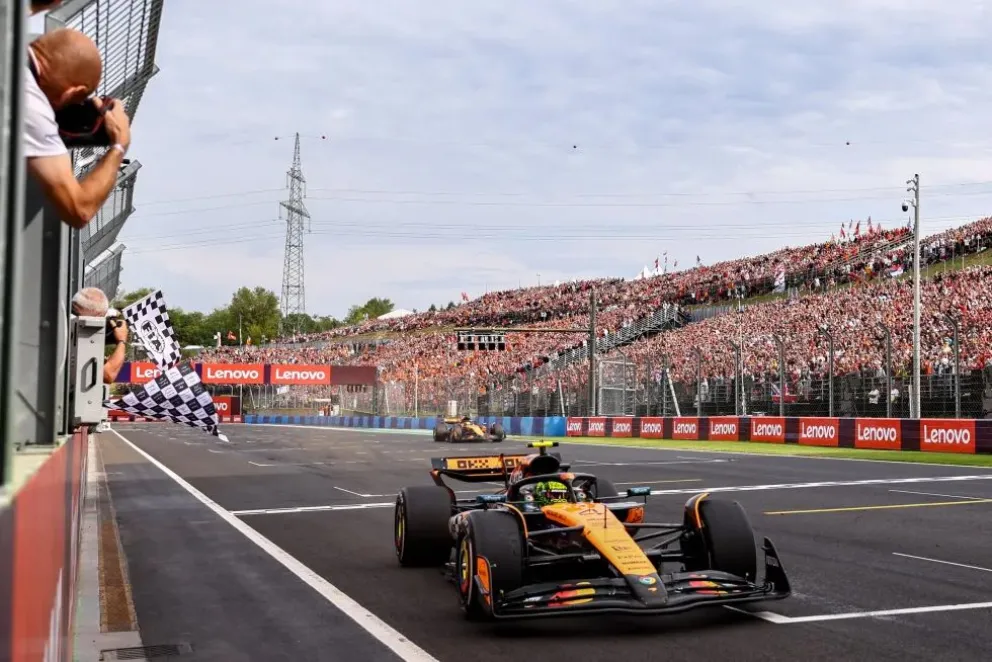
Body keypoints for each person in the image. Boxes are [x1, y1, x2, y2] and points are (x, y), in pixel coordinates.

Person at [24, 28, 131, 228]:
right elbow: (79, 210)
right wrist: (119, 145)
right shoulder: (31, 105)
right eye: (78, 100)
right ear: (76, 91)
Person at [71, 287, 128, 384]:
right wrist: (121, 341)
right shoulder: (80, 334)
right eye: (102, 317)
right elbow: (107, 375)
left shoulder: (62, 320)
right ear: (97, 315)